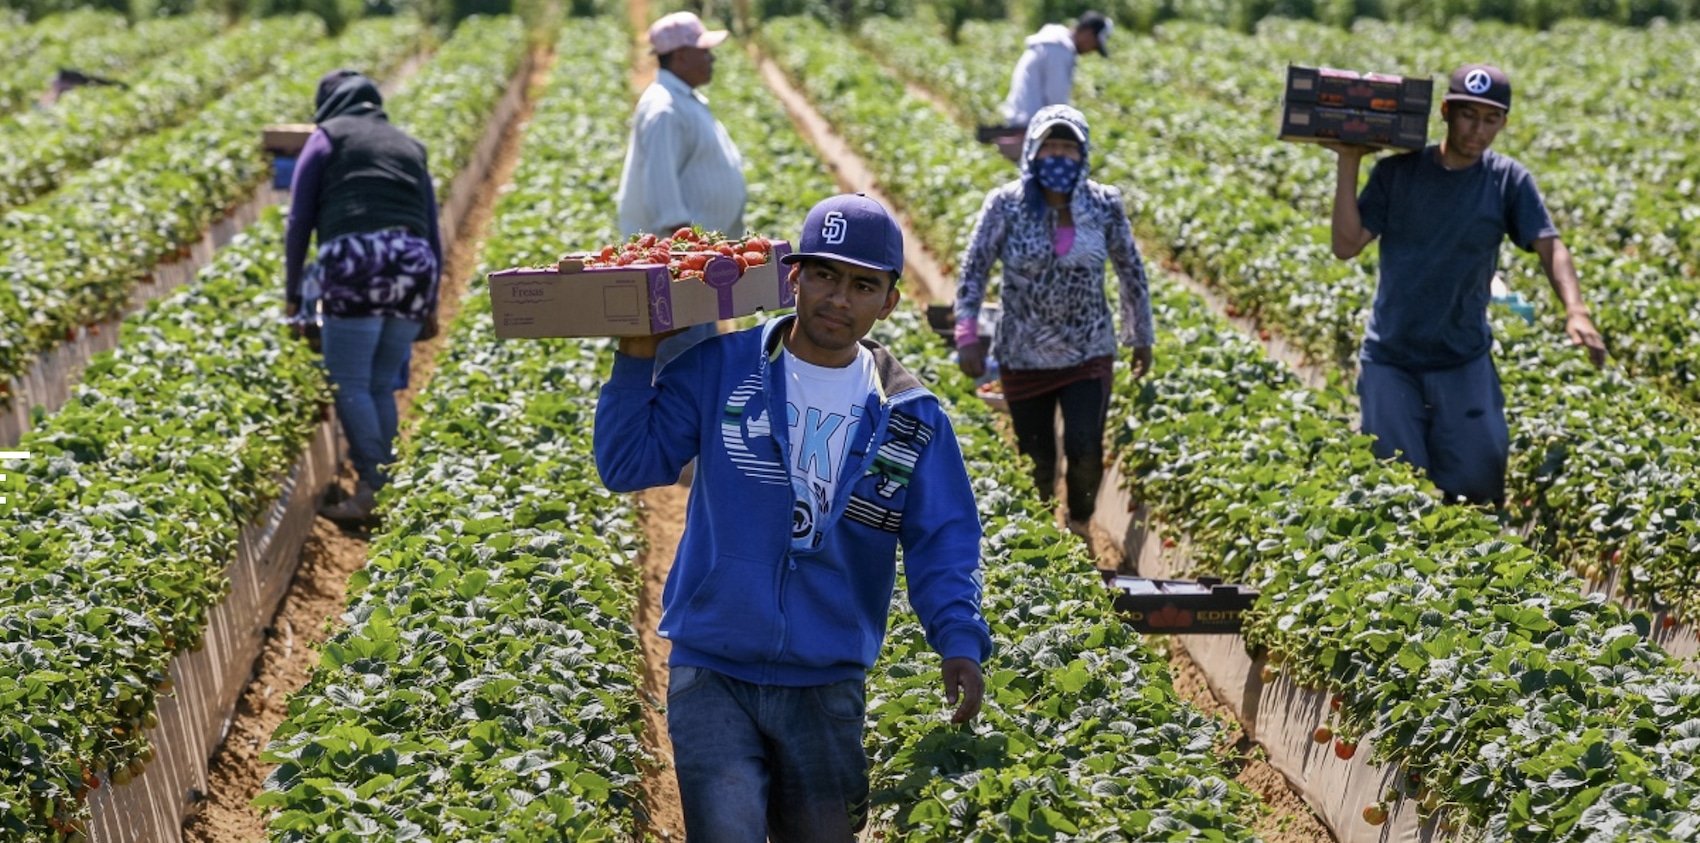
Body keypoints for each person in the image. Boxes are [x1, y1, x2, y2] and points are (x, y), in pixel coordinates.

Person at [594, 193, 992, 841]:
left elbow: (943, 539)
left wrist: (959, 638)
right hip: (712, 668)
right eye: (825, 275)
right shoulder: (722, 369)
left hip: (826, 679)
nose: (840, 297)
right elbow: (628, 463)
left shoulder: (909, 416)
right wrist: (636, 355)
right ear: (793, 277)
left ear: (889, 300)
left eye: (863, 284)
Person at [1327, 63, 1607, 507]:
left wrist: (1576, 309)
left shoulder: (1507, 181)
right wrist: (1348, 162)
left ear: (1503, 123)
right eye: (1468, 115)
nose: (1478, 130)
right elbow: (1346, 246)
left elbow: (1551, 247)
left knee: (1480, 483)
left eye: (1490, 119)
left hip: (1463, 357)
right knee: (1396, 492)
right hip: (1391, 358)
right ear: (1445, 112)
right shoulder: (1398, 174)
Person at [955, 104, 1154, 537]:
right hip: (1023, 353)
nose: (1060, 157)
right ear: (1032, 152)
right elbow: (974, 269)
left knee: (1085, 448)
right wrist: (967, 333)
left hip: (1089, 350)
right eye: (1051, 147)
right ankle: (1041, 542)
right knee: (1037, 459)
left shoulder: (1103, 204)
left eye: (1069, 147)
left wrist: (1140, 335)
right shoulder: (1006, 205)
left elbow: (1130, 269)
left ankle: (1081, 525)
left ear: (1083, 155)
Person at [284, 69, 442, 527]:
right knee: (377, 383)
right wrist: (429, 298)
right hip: (411, 265)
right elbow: (431, 229)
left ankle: (376, 486)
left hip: (355, 263)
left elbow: (299, 221)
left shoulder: (326, 139)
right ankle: (388, 483)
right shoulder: (410, 146)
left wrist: (293, 293)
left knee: (349, 381)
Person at [616, 10, 747, 372]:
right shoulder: (664, 110)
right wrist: (686, 265)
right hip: (679, 274)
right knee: (682, 361)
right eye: (704, 50)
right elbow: (664, 197)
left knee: (696, 356)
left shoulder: (680, 100)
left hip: (695, 266)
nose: (712, 57)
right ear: (681, 55)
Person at [998, 11, 1111, 131]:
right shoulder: (1059, 50)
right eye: (1094, 45)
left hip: (1022, 119)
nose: (1091, 50)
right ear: (1088, 33)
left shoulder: (1050, 44)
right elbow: (1056, 100)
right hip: (1031, 126)